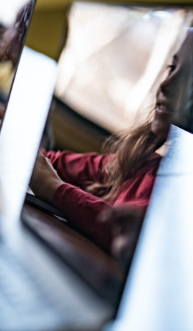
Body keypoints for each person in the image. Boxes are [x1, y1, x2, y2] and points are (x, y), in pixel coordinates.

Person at [29, 29, 193, 251]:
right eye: (172, 69)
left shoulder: (183, 199)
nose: (166, 85)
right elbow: (56, 163)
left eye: (188, 79)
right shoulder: (142, 162)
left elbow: (127, 231)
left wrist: (53, 188)